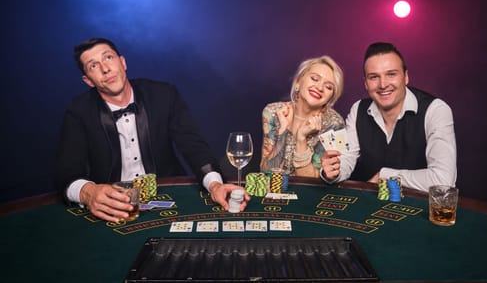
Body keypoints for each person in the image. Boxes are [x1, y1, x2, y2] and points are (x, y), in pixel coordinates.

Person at [54, 38, 249, 222]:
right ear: (88, 80)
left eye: (108, 57)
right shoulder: (78, 111)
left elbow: (193, 146)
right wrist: (88, 192)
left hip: (170, 195)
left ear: (123, 62)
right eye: (93, 66)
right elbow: (66, 172)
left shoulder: (163, 95)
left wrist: (215, 185)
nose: (105, 69)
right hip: (114, 206)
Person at [321, 42, 457, 191]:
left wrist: (384, 176)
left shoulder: (436, 110)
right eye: (374, 77)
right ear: (365, 83)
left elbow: (443, 180)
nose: (383, 84)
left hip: (421, 208)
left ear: (405, 77)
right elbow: (346, 158)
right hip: (372, 205)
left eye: (391, 74)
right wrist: (334, 172)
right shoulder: (358, 109)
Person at [260, 55, 345, 177]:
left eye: (328, 87)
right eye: (315, 79)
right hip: (274, 192)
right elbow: (267, 172)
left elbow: (315, 182)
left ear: (331, 97)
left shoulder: (336, 124)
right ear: (298, 81)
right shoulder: (272, 112)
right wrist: (283, 130)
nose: (320, 88)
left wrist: (301, 139)